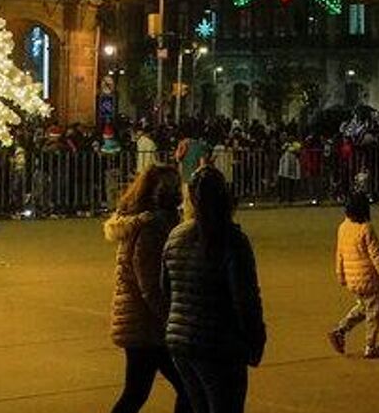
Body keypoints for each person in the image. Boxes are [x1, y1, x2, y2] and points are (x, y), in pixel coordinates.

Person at [162, 167, 263, 413]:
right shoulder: (231, 239)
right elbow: (245, 299)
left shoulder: (176, 236)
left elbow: (166, 289)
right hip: (218, 344)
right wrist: (255, 341)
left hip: (180, 341)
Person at [106, 164, 189, 413]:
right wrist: (170, 319)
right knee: (183, 387)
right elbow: (150, 285)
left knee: (137, 392)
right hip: (146, 324)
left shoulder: (146, 223)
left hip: (142, 322)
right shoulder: (151, 228)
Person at [329, 192, 379, 359]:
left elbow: (339, 253)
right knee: (374, 312)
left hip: (352, 278)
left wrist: (340, 274)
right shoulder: (366, 228)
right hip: (368, 278)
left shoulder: (343, 227)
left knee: (364, 308)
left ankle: (340, 330)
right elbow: (376, 255)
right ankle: (371, 346)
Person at [274, 138, 302, 205]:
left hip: (293, 164)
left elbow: (298, 152)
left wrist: (293, 150)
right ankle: (281, 197)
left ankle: (290, 198)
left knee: (291, 182)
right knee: (282, 181)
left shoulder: (297, 144)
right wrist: (285, 148)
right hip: (285, 165)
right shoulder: (285, 144)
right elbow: (281, 151)